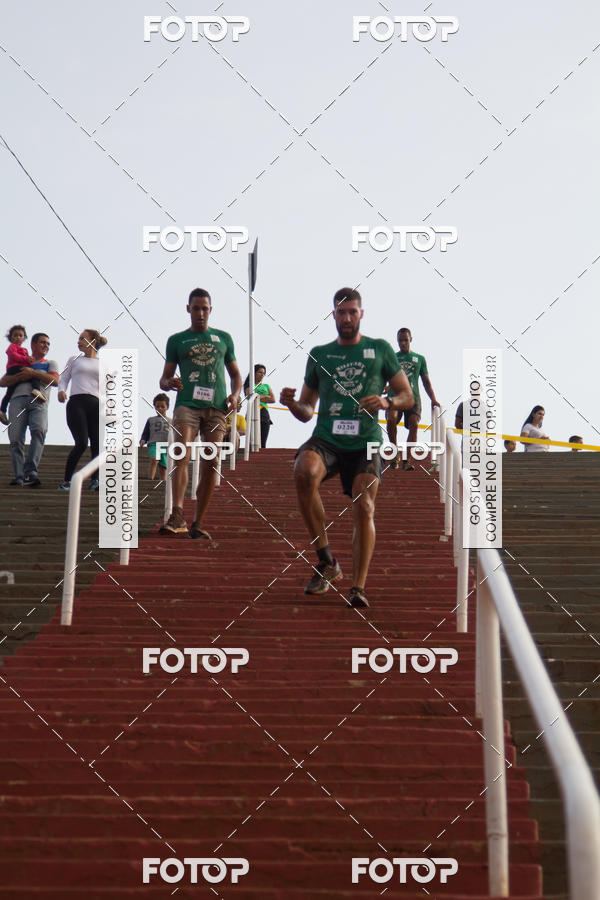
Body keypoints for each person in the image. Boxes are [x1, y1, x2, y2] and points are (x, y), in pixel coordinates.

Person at [280, 287, 413, 609]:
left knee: (364, 505)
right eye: (342, 312)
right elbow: (307, 410)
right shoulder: (320, 354)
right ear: (333, 315)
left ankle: (358, 587)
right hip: (328, 437)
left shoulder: (380, 349)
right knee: (303, 470)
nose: (347, 318)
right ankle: (327, 560)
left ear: (361, 314)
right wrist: (291, 403)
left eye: (353, 312)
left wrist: (386, 401)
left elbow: (407, 396)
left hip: (366, 441)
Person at [158, 288, 242, 538]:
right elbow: (163, 379)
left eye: (205, 308)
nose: (201, 313)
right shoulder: (177, 340)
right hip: (187, 404)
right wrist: (169, 383)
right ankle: (177, 513)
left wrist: (236, 395)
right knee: (181, 451)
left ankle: (199, 522)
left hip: (217, 408)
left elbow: (236, 374)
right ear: (188, 309)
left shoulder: (224, 338)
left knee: (212, 461)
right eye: (196, 308)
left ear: (211, 310)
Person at [0, 333, 58, 486]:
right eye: (43, 342)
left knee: (39, 431)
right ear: (32, 345)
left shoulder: (50, 363)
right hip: (17, 401)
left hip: (39, 402)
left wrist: (33, 373)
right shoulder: (21, 360)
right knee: (16, 439)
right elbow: (3, 381)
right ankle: (19, 476)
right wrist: (21, 376)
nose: (46, 345)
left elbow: (56, 381)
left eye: (48, 343)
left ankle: (30, 473)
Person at [57, 330, 107, 491]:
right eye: (78, 339)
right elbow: (64, 378)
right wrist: (61, 391)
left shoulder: (103, 363)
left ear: (93, 341)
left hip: (96, 404)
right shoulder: (74, 359)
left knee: (98, 445)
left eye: (82, 339)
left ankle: (95, 480)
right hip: (76, 402)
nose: (79, 341)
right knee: (81, 443)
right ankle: (66, 481)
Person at [385, 328, 439, 470]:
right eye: (400, 341)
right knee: (391, 418)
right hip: (395, 397)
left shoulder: (419, 359)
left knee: (413, 423)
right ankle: (394, 454)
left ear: (411, 339)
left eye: (405, 340)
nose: (403, 343)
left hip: (413, 398)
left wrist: (433, 399)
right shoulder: (392, 358)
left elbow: (426, 381)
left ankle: (407, 460)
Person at [0, 324, 46, 425]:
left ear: (24, 337)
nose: (18, 337)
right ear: (11, 337)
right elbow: (13, 355)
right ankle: (36, 390)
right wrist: (27, 360)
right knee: (33, 376)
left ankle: (2, 410)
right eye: (15, 335)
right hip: (14, 368)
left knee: (10, 391)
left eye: (20, 335)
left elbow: (26, 360)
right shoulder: (12, 347)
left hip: (17, 369)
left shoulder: (24, 350)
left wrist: (30, 361)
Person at [139, 393, 171, 480]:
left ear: (167, 407)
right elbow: (146, 433)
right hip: (154, 444)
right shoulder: (151, 420)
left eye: (162, 406)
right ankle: (150, 479)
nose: (160, 408)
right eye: (157, 406)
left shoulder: (171, 421)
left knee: (163, 466)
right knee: (154, 459)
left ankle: (163, 482)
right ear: (155, 407)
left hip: (166, 445)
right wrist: (143, 440)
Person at [244, 364, 275, 448]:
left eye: (263, 373)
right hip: (253, 411)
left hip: (264, 412)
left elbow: (273, 399)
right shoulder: (249, 385)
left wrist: (257, 396)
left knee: (263, 441)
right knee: (252, 440)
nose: (262, 374)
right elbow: (250, 396)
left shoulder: (266, 386)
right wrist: (265, 397)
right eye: (260, 372)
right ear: (254, 373)